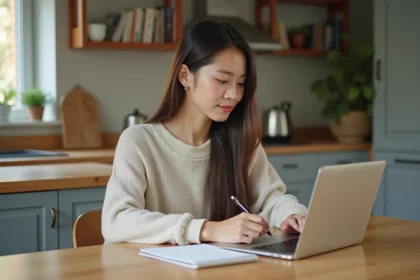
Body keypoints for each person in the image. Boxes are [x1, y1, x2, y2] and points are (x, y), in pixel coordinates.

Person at [101, 19, 308, 246]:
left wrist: (291, 214)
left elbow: (270, 199)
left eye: (241, 83)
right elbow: (116, 220)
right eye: (222, 80)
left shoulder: (242, 141)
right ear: (185, 76)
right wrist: (206, 230)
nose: (234, 94)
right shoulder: (138, 141)